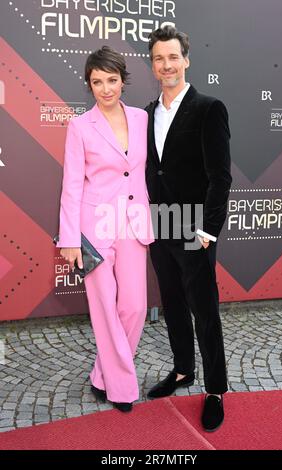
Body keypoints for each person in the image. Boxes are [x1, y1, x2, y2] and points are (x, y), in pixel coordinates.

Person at [56, 46, 153, 412]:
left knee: (133, 307)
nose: (105, 88)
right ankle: (121, 387)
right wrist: (69, 239)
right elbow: (72, 185)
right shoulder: (80, 126)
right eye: (97, 82)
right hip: (93, 228)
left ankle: (101, 374)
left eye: (111, 80)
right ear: (89, 84)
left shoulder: (142, 120)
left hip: (132, 225)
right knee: (104, 310)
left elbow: (144, 171)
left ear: (122, 81)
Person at [145, 26, 232, 431]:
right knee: (173, 304)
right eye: (159, 58)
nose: (167, 65)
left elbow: (220, 177)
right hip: (160, 225)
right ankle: (183, 370)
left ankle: (215, 389)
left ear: (186, 60)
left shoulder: (208, 107)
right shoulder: (146, 113)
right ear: (153, 64)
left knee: (204, 310)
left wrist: (208, 231)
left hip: (194, 228)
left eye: (173, 57)